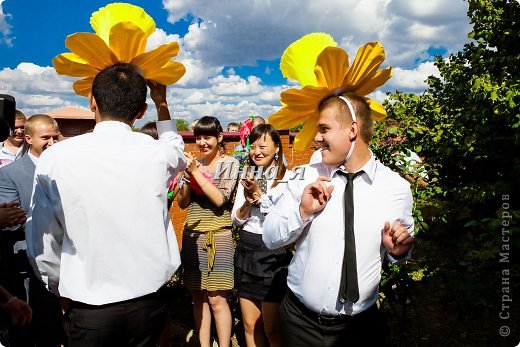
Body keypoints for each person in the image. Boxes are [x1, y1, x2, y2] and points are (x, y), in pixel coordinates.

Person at [28, 63, 186, 346]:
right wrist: (162, 104)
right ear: (141, 112)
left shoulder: (56, 157)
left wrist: (59, 287)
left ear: (91, 101)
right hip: (149, 303)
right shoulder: (158, 153)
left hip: (88, 304)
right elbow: (175, 146)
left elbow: (43, 238)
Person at [263, 93, 414, 346]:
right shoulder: (304, 177)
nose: (316, 137)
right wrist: (302, 212)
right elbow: (269, 237)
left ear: (352, 129)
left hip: (359, 330)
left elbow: (398, 253)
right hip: (299, 324)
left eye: (324, 129)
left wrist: (398, 252)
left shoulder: (396, 189)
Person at [0, 114, 63, 346]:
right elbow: (10, 220)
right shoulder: (10, 174)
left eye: (55, 137)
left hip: (60, 262)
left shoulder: (64, 168)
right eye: (45, 137)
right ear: (28, 138)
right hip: (26, 266)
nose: (52, 142)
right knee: (26, 330)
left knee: (52, 329)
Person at [177, 116, 239, 347]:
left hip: (218, 235)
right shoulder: (196, 164)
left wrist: (196, 173)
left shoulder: (229, 164)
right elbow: (183, 203)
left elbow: (219, 199)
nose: (202, 142)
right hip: (193, 235)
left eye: (208, 137)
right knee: (198, 299)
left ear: (220, 137)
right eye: (198, 137)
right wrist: (185, 176)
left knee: (216, 299)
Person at [231, 124, 292, 347]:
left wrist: (259, 197)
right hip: (247, 250)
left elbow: (288, 222)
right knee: (249, 324)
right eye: (253, 146)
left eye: (262, 146)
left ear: (276, 148)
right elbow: (236, 219)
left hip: (272, 254)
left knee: (272, 328)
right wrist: (247, 202)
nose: (256, 151)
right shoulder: (247, 176)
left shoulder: (288, 179)